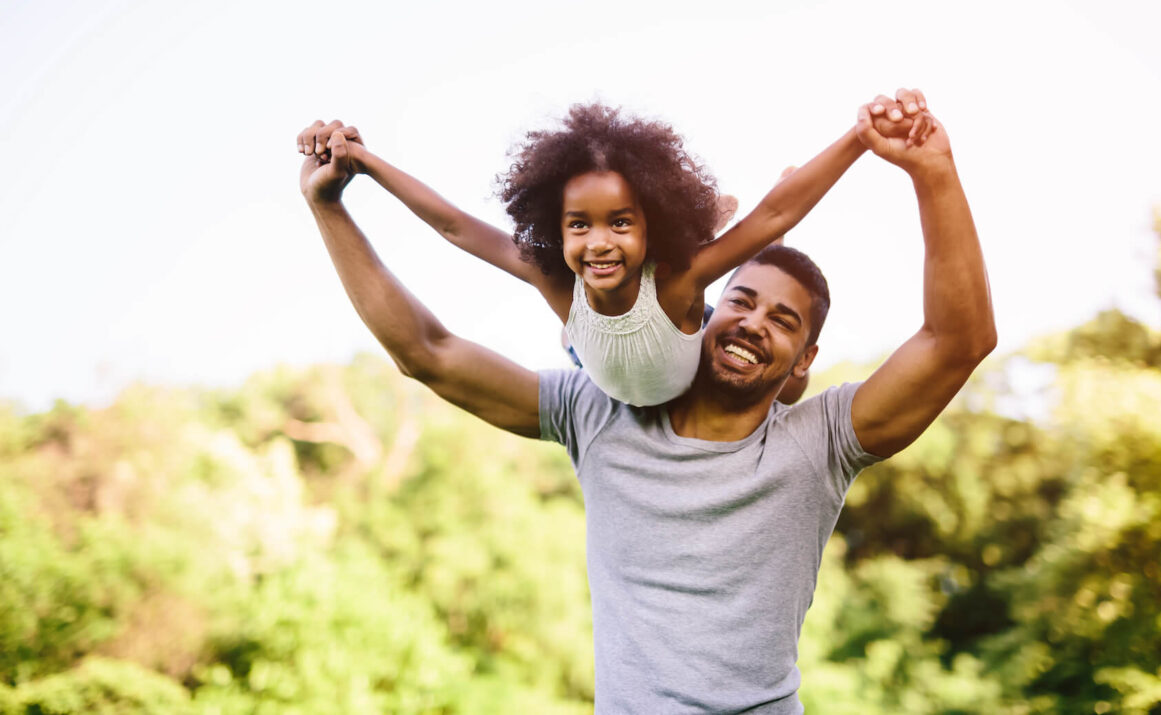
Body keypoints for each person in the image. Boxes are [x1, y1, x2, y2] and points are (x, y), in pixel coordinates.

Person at [297, 88, 995, 713]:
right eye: (743, 302)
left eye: (784, 321)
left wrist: (932, 173)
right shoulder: (596, 411)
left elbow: (956, 340)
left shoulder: (819, 442)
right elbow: (429, 352)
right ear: (706, 313)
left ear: (802, 365)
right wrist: (328, 207)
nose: (754, 321)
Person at [302, 102, 925, 406]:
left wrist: (857, 140)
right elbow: (456, 228)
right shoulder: (556, 282)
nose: (599, 242)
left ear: (651, 227)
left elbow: (777, 212)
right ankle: (713, 218)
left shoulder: (677, 281)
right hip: (591, 357)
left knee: (782, 385)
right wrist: (366, 163)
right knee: (583, 329)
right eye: (579, 225)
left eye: (621, 223)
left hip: (678, 338)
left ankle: (710, 221)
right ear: (557, 225)